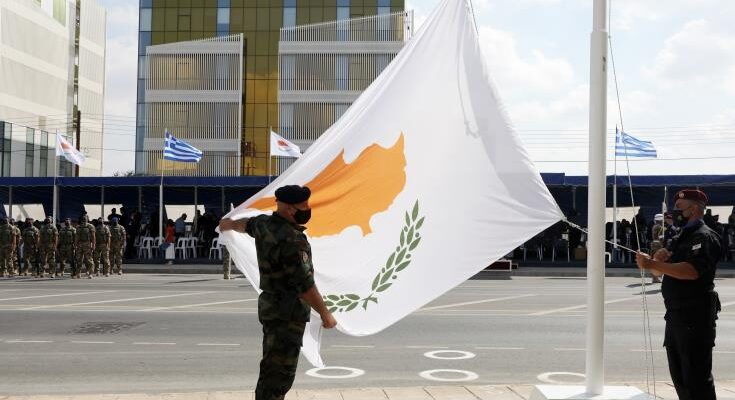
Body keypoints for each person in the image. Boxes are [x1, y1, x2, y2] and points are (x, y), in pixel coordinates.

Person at [218, 185, 337, 400]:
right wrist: (326, 314)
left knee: (271, 366)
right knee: (279, 375)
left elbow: (244, 225)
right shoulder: (293, 240)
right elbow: (305, 286)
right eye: (304, 206)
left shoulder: (265, 224)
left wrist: (227, 225)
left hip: (272, 308)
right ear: (290, 210)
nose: (307, 209)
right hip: (287, 314)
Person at [636, 189, 721, 400]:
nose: (675, 214)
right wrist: (655, 260)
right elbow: (657, 272)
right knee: (680, 379)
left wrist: (654, 264)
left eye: (679, 209)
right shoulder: (679, 236)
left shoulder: (704, 236)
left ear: (694, 209)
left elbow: (691, 271)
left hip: (695, 318)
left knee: (696, 380)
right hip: (675, 317)